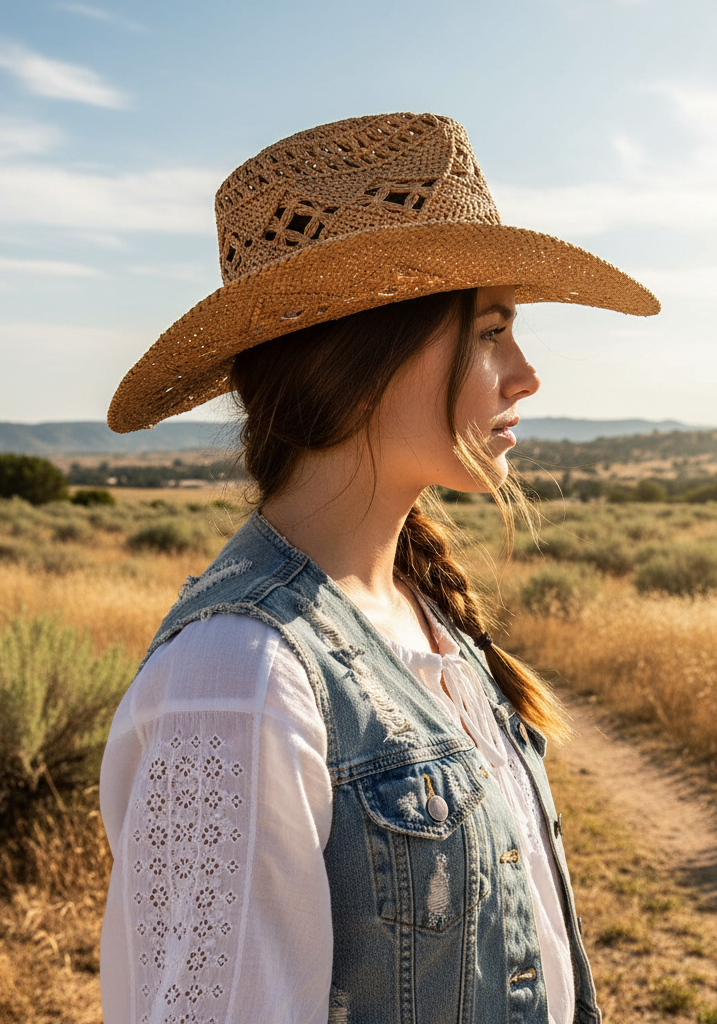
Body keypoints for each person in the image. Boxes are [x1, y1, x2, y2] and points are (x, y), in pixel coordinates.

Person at [99, 111, 659, 1024]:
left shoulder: (416, 612)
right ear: (361, 356)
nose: (526, 374)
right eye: (489, 333)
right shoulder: (237, 682)